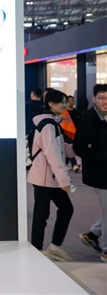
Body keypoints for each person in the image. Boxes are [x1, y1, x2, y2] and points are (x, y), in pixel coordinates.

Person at [27, 89, 74, 261]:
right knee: (42, 215)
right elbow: (52, 154)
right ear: (51, 104)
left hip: (50, 177)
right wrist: (64, 180)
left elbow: (59, 149)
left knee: (64, 209)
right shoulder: (48, 125)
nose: (65, 105)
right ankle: (37, 251)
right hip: (44, 177)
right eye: (62, 102)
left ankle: (53, 247)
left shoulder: (52, 123)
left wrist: (78, 149)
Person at [74, 84, 107, 263]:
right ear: (94, 99)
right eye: (101, 98)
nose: (105, 102)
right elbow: (79, 148)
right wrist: (101, 156)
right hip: (99, 173)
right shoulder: (88, 119)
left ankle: (93, 234)